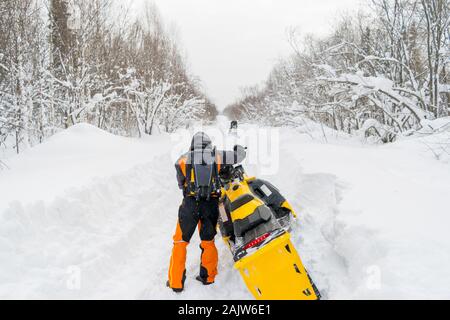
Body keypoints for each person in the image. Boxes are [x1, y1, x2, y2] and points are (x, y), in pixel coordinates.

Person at [167, 132, 245, 292]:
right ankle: (208, 276)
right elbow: (239, 156)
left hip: (190, 204)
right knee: (208, 241)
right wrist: (238, 149)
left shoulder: (182, 159)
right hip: (211, 204)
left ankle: (175, 282)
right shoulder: (217, 155)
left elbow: (181, 184)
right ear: (208, 143)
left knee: (180, 242)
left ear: (192, 144)